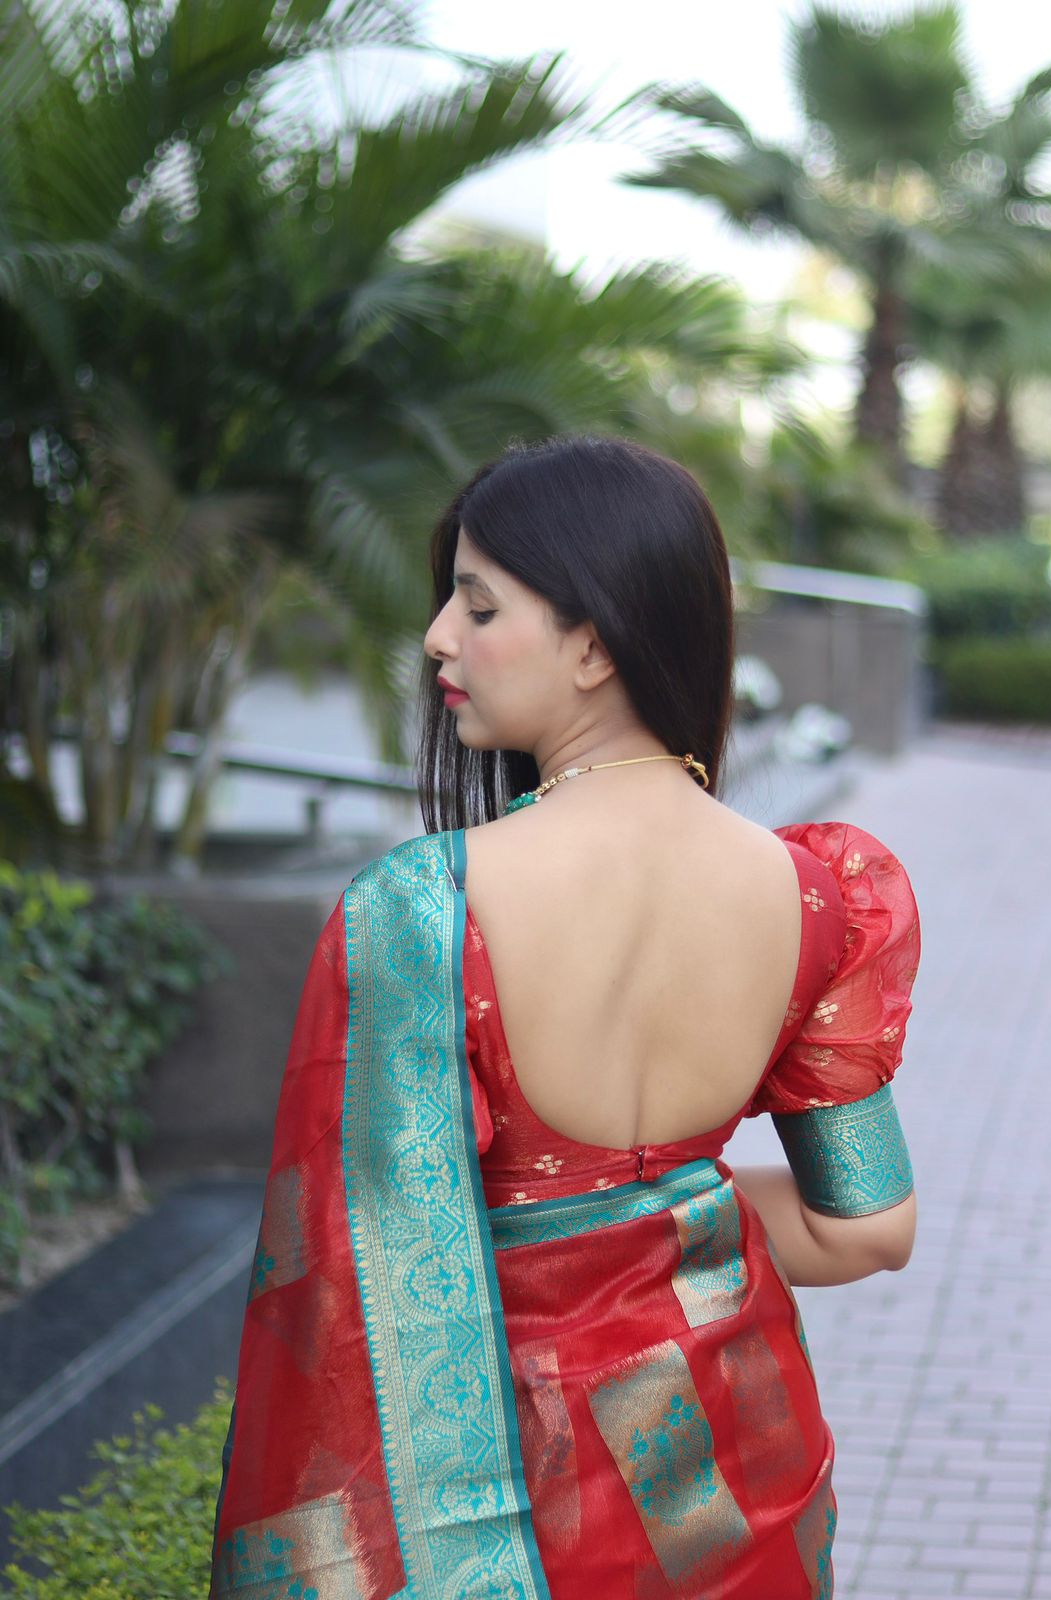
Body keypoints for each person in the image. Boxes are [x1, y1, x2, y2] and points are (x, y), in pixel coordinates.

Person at [209, 434, 921, 1599]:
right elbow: (866, 1227)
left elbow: (358, 1274)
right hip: (741, 1481)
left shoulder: (423, 910)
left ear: (593, 642)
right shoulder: (825, 896)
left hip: (518, 1493)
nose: (439, 634)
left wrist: (559, 1221)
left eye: (479, 605)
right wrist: (655, 1207)